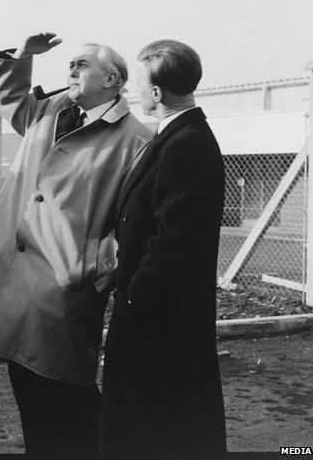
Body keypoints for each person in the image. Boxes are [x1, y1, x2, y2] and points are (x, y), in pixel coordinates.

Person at [0, 32, 154, 455]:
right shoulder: (49, 110)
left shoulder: (136, 139)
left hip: (64, 283)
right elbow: (10, 98)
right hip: (15, 271)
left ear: (114, 80)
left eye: (83, 64)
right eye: (70, 64)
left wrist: (94, 267)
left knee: (67, 393)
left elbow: (136, 222)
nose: (71, 69)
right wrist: (22, 57)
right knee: (29, 389)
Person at [100, 39, 227, 458]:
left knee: (156, 426)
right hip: (159, 314)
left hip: (157, 319)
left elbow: (173, 238)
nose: (134, 92)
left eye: (138, 85)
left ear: (157, 93)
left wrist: (134, 295)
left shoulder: (185, 142)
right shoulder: (179, 135)